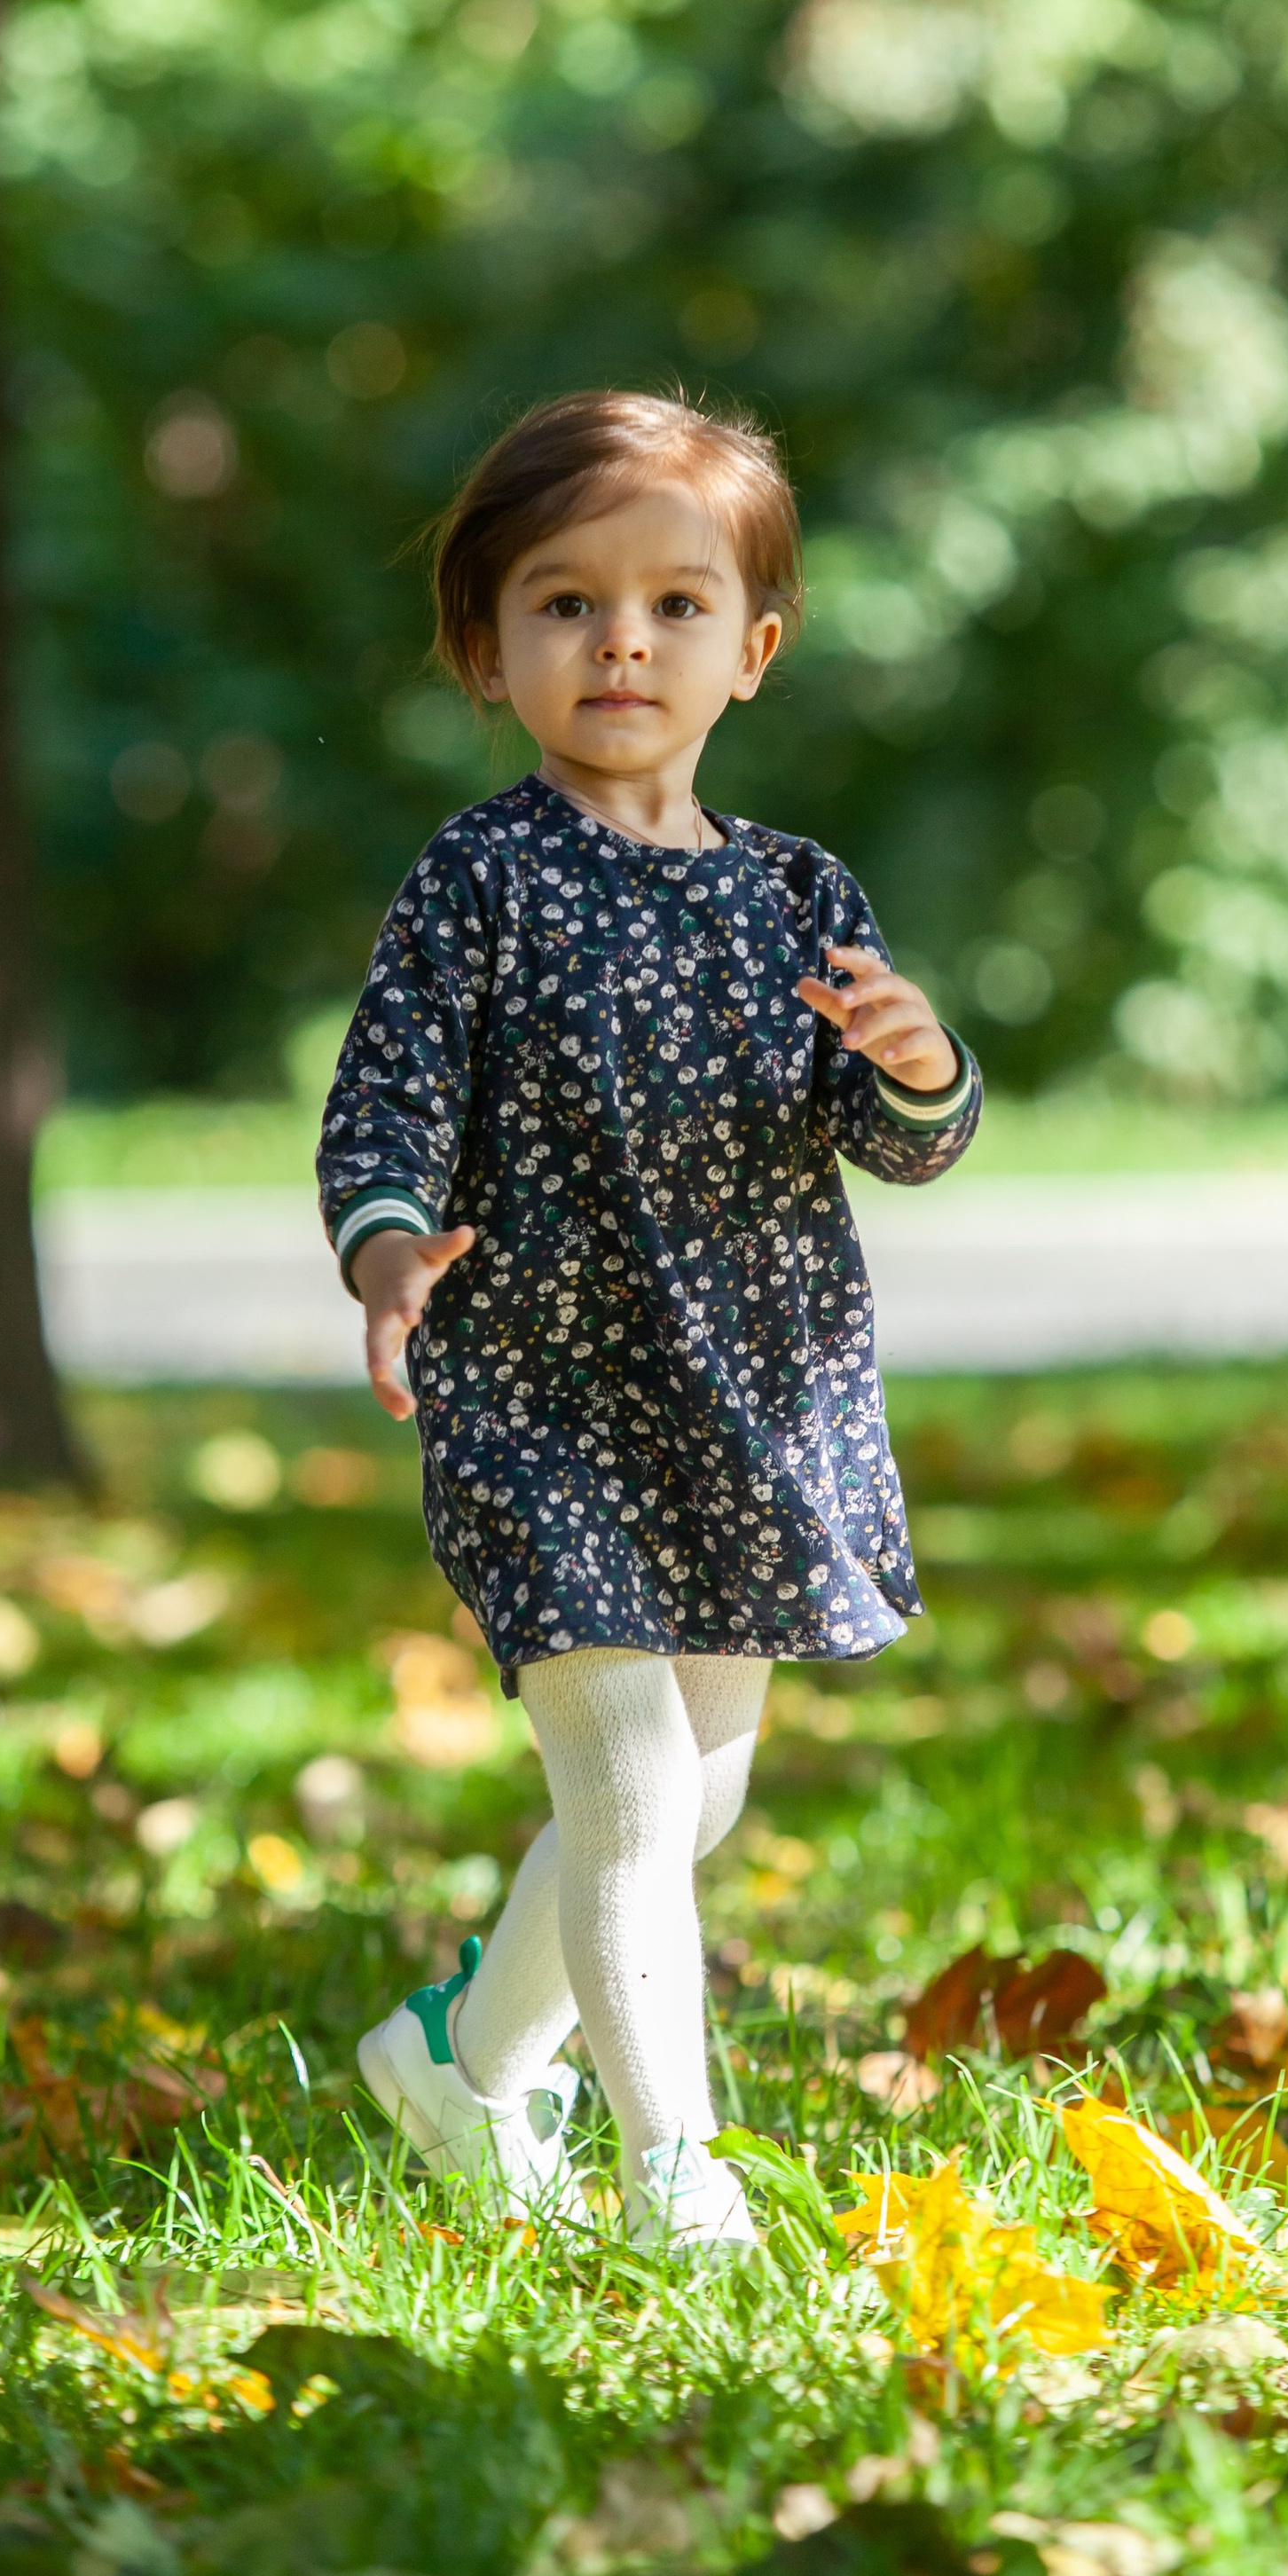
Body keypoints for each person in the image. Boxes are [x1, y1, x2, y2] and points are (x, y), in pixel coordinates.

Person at [318, 389, 980, 2250]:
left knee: (690, 1803)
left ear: (751, 651)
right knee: (619, 1784)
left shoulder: (795, 897)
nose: (620, 640)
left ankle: (456, 2065)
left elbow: (893, 1139)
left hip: (752, 1400)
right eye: (562, 602)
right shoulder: (478, 884)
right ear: (486, 645)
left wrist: (921, 1067)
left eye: (675, 606)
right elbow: (381, 1107)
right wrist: (385, 1257)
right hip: (537, 1396)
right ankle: (670, 2175)